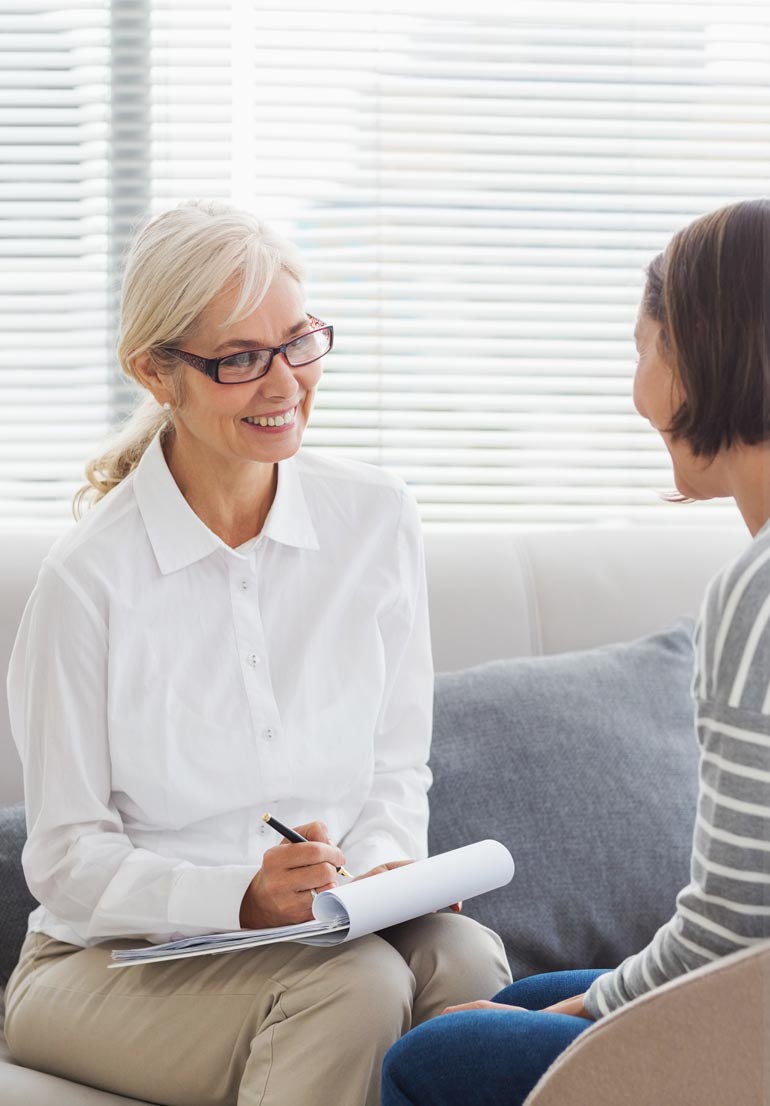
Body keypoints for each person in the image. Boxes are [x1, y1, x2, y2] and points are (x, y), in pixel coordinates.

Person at [3, 200, 511, 1106]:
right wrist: (239, 898)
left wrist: (390, 867)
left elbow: (397, 763)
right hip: (104, 965)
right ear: (156, 373)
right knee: (356, 988)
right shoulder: (89, 581)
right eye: (239, 360)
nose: (284, 385)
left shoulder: (376, 518)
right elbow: (67, 861)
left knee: (462, 958)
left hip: (319, 931)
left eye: (299, 343)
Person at [381, 196, 770, 1106]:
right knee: (519, 996)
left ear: (706, 354)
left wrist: (576, 1023)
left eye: (645, 350)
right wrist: (572, 1006)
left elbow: (733, 926)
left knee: (431, 1059)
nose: (637, 390)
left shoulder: (757, 597)